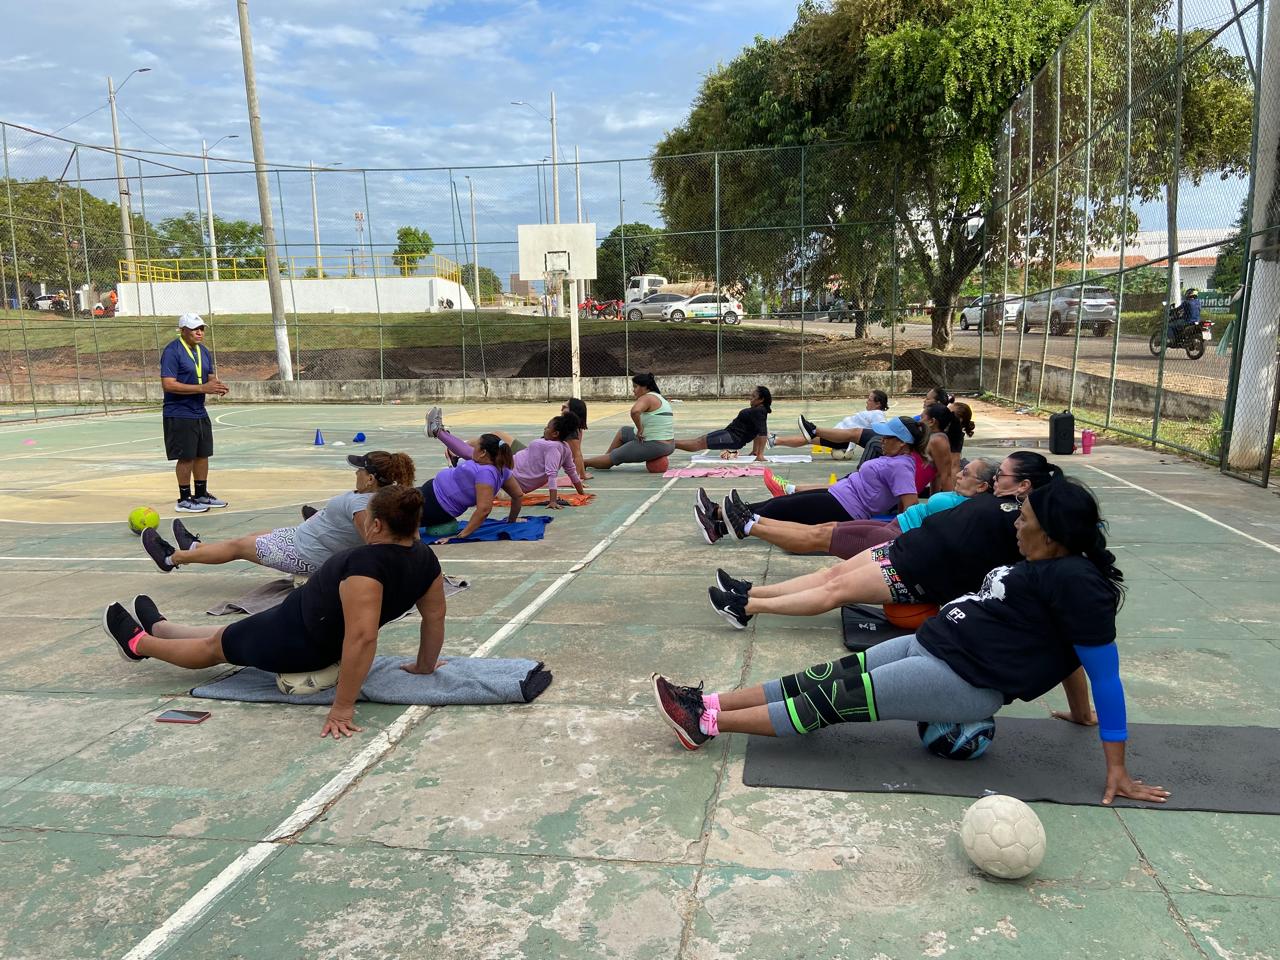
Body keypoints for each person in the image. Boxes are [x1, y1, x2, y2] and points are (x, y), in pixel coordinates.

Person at [653, 479, 1171, 807]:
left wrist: (1117, 766)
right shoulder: (1046, 563)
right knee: (820, 678)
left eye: (1026, 520)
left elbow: (1100, 670)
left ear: (1055, 537)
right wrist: (1078, 715)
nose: (1016, 524)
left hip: (960, 678)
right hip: (934, 643)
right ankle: (711, 701)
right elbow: (1068, 656)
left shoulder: (1078, 585)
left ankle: (704, 724)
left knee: (828, 704)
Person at [105, 485, 447, 740]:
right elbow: (434, 617)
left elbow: (363, 637)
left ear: (374, 526)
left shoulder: (366, 566)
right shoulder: (425, 559)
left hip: (296, 639)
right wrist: (425, 665)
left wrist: (342, 706)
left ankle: (139, 646)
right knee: (226, 635)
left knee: (214, 648)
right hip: (300, 624)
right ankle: (161, 629)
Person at [706, 451, 1060, 628]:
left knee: (834, 591)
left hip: (916, 571)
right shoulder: (995, 501)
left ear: (1025, 485)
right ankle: (749, 593)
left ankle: (745, 608)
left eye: (1002, 475)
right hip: (904, 545)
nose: (996, 478)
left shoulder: (1026, 520)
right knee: (829, 577)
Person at [140, 451, 416, 576]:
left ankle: (172, 557)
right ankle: (197, 547)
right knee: (249, 537)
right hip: (304, 538)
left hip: (305, 553)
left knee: (238, 546)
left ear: (370, 479)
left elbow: (371, 543)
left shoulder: (363, 506)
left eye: (360, 469)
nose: (355, 472)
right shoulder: (374, 497)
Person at [694, 417, 926, 545]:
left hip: (847, 508)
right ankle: (716, 516)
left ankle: (719, 526)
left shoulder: (902, 466)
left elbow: (910, 503)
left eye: (888, 438)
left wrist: (898, 535)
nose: (882, 441)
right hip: (840, 494)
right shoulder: (894, 458)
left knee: (779, 508)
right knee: (779, 505)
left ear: (904, 443)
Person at [720, 458, 996, 559]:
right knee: (821, 530)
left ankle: (748, 525)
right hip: (892, 527)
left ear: (983, 486)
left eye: (967, 474)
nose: (959, 475)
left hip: (896, 538)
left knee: (819, 536)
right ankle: (750, 519)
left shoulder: (973, 508)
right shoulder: (963, 500)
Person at [425, 407, 585, 509]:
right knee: (479, 450)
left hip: (506, 480)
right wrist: (581, 493)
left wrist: (552, 501)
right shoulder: (563, 448)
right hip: (508, 471)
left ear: (555, 433)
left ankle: (438, 432)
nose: (545, 428)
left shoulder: (552, 448)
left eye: (547, 427)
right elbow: (571, 472)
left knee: (473, 453)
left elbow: (551, 475)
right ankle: (440, 433)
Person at [159, 314, 229, 514]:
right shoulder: (173, 351)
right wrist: (202, 388)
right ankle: (183, 499)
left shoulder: (203, 351)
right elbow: (168, 384)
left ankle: (201, 494)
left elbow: (209, 376)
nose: (199, 332)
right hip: (179, 412)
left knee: (202, 454)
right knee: (186, 457)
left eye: (202, 328)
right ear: (183, 330)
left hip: (199, 411)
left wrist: (217, 385)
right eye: (194, 328)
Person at [420, 430, 524, 543]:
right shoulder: (496, 465)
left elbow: (484, 509)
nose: (473, 448)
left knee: (398, 516)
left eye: (476, 446)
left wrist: (460, 536)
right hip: (431, 496)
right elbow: (518, 495)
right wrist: (440, 433)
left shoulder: (486, 473)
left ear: (483, 452)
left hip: (434, 505)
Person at [584, 373, 676, 470]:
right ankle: (605, 459)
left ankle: (584, 463)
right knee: (624, 432)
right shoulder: (659, 397)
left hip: (655, 445)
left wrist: (640, 429)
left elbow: (635, 411)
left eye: (635, 387)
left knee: (612, 458)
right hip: (669, 444)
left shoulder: (646, 397)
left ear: (645, 387)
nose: (633, 390)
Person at [769, 390, 889, 455]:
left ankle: (777, 440)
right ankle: (775, 441)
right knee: (807, 438)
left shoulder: (877, 415)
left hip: (841, 438)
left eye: (869, 399)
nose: (866, 402)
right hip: (840, 436)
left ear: (878, 403)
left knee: (809, 437)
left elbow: (880, 432)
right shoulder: (873, 413)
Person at [673, 385, 772, 461]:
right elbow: (756, 431)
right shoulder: (759, 410)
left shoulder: (759, 411)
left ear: (761, 399)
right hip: (730, 434)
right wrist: (755, 451)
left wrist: (760, 455)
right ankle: (673, 444)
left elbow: (762, 433)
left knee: (699, 443)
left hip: (733, 438)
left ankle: (672, 444)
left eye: (754, 396)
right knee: (700, 440)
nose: (750, 398)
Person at [562, 398, 591, 480]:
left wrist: (576, 478)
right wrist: (582, 475)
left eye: (565, 407)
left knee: (576, 454)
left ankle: (575, 477)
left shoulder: (572, 430)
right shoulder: (575, 428)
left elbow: (577, 456)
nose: (562, 407)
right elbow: (579, 454)